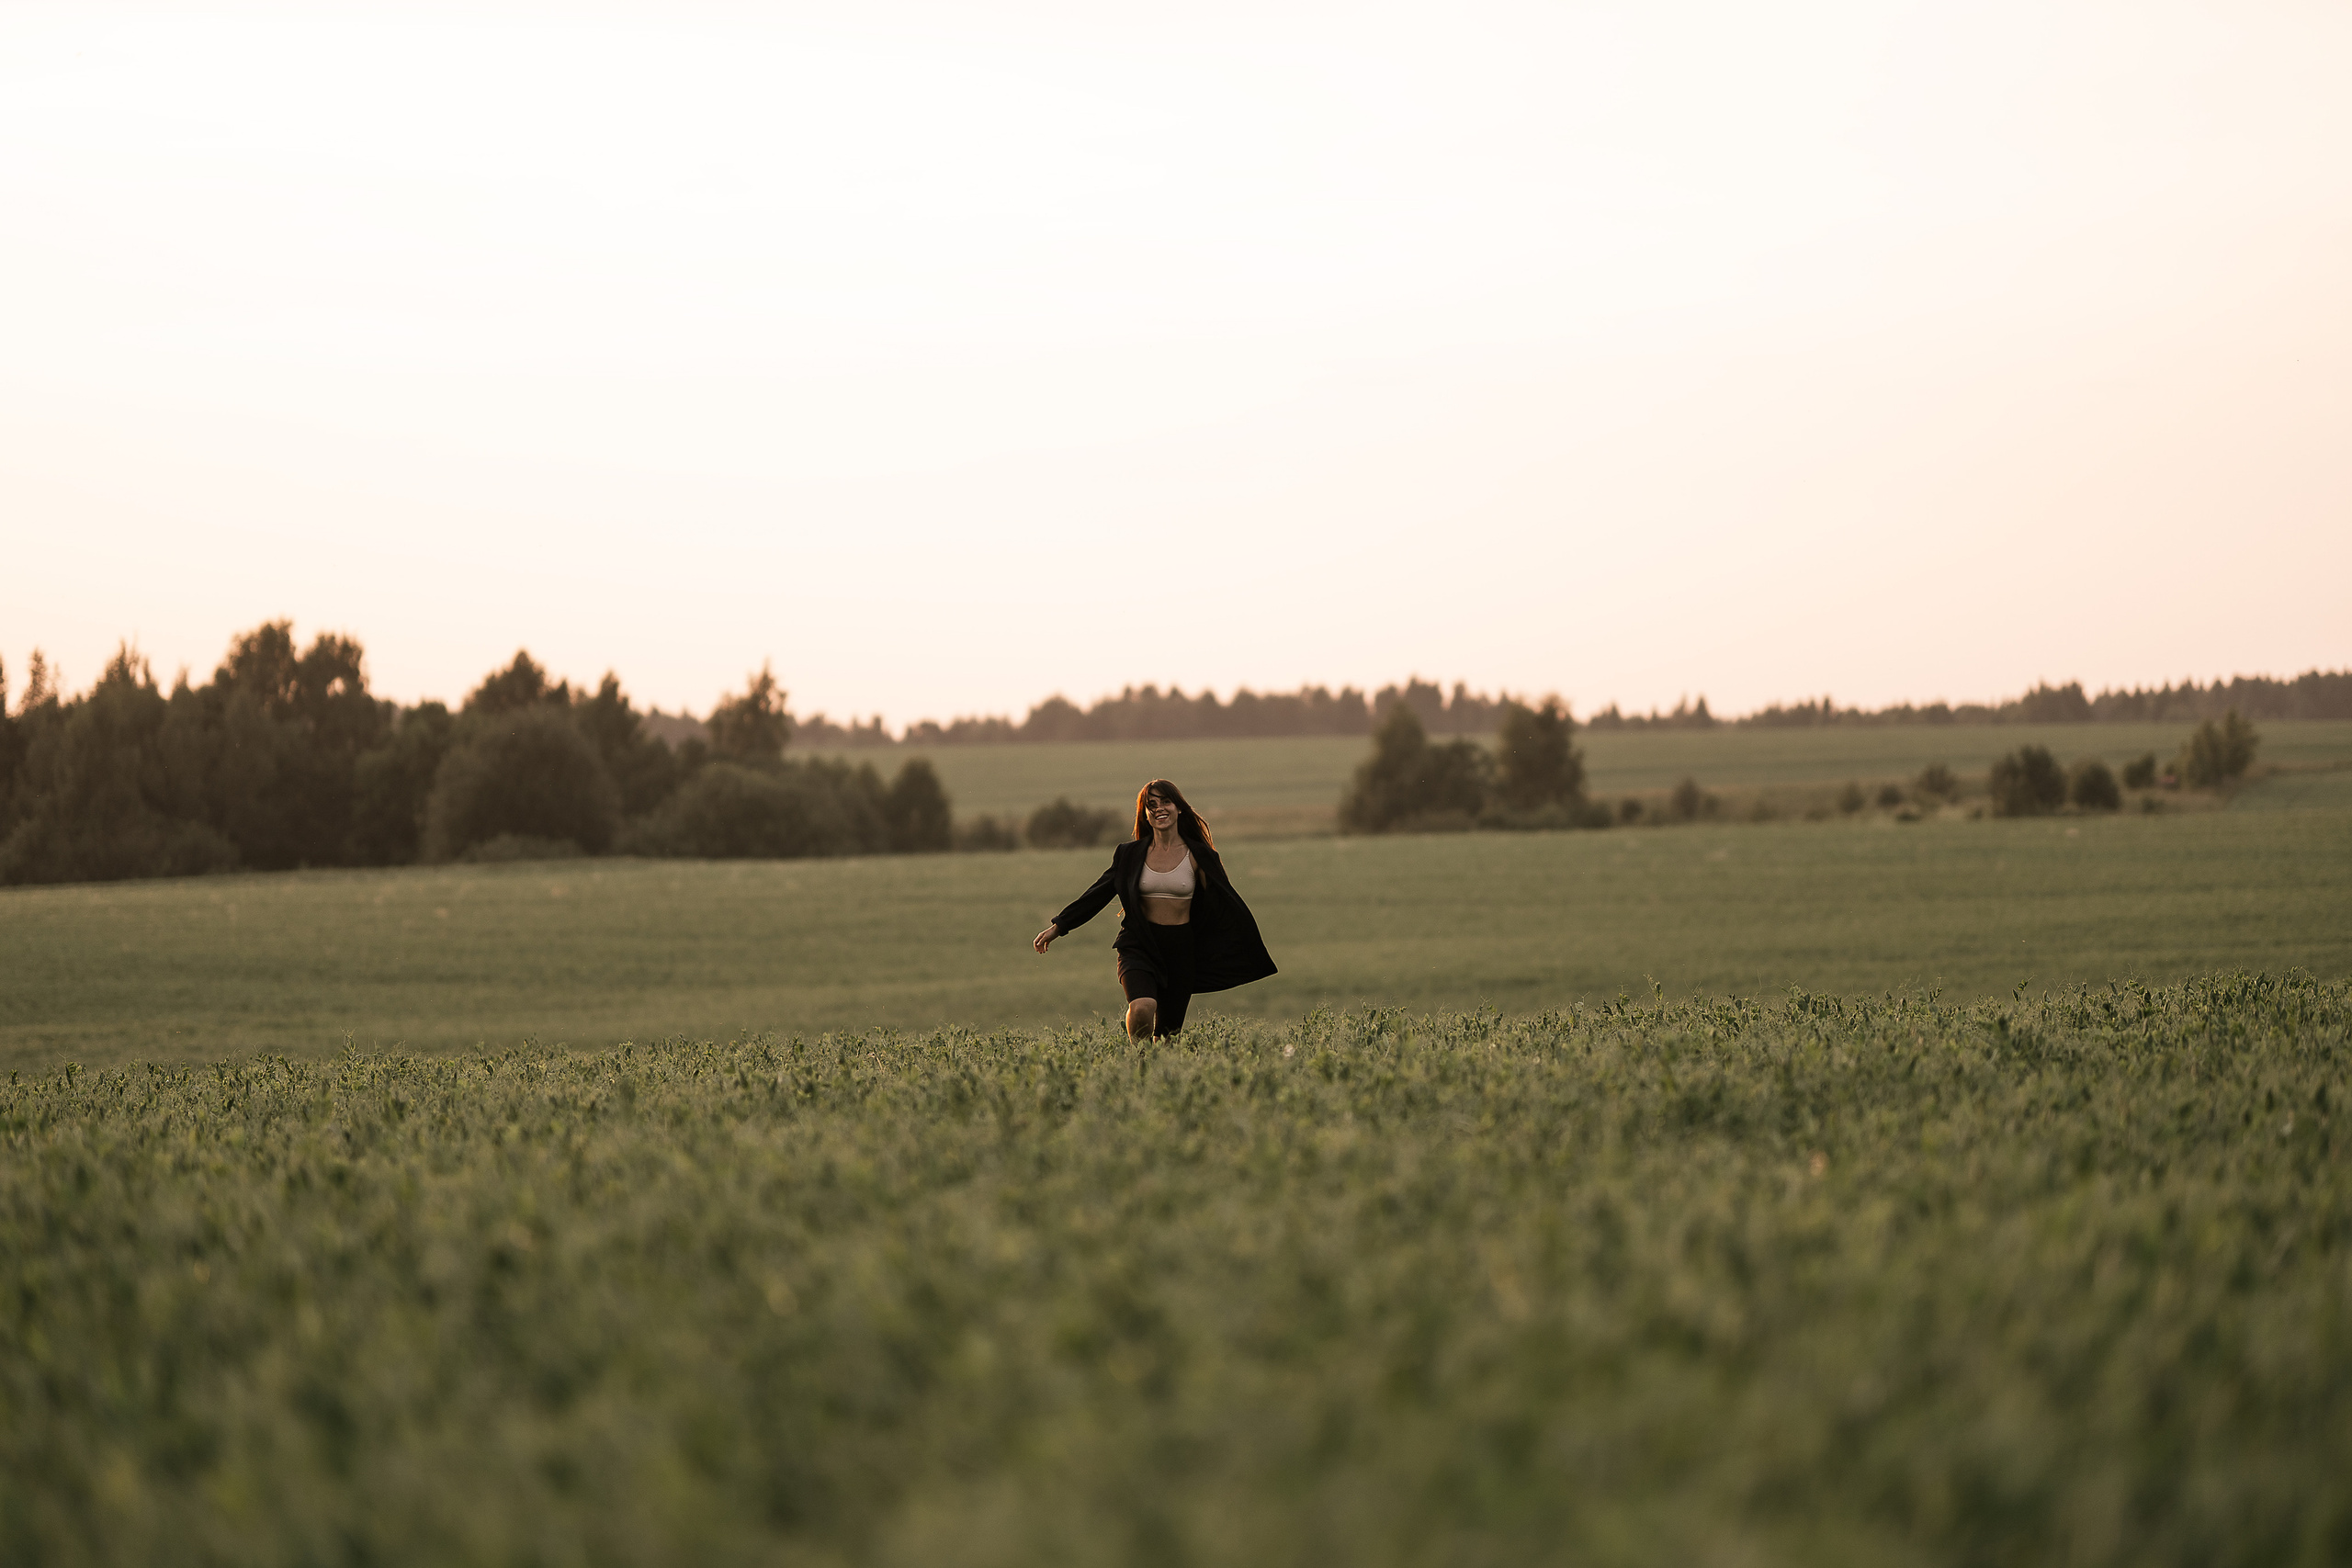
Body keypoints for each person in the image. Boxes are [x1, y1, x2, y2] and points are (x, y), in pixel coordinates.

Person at [1033, 778, 1276, 1038]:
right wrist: (1059, 926)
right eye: (1151, 805)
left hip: (1181, 949)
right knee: (1142, 1006)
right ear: (1145, 815)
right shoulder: (1130, 854)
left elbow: (1224, 903)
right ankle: (1138, 1060)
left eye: (1166, 802)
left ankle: (1151, 1072)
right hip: (1139, 944)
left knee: (1168, 1037)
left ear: (1179, 808)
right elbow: (1098, 893)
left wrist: (1236, 946)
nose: (1159, 808)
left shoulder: (1199, 855)